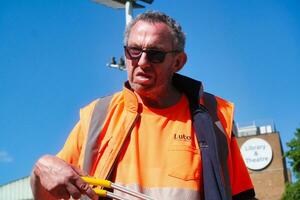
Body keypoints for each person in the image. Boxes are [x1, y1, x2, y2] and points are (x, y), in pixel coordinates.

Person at [30, 11, 256, 200]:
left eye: (155, 54)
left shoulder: (213, 117)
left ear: (178, 62)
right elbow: (49, 193)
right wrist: (41, 169)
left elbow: (241, 195)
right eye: (134, 51)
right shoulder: (97, 116)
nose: (142, 62)